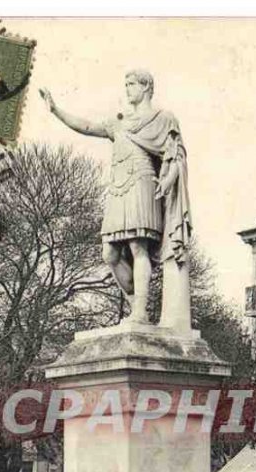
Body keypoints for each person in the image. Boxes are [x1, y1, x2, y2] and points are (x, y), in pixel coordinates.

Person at [40, 69, 192, 327]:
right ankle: (136, 305)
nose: (127, 89)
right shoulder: (117, 122)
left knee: (137, 245)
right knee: (109, 252)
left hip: (143, 182)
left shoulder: (163, 118)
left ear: (146, 87)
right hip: (118, 186)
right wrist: (55, 109)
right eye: (126, 84)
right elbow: (87, 127)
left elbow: (176, 155)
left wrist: (167, 181)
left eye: (131, 84)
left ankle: (141, 312)